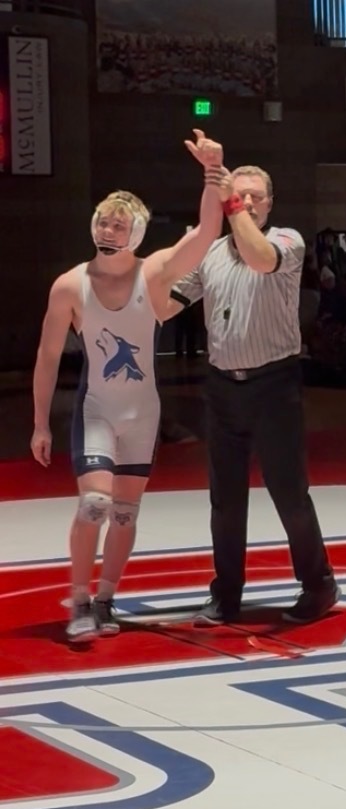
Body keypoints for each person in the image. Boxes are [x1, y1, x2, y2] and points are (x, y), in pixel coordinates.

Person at [31, 129, 226, 643]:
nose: (110, 230)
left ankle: (105, 599)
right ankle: (77, 600)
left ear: (136, 232)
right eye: (103, 221)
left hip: (143, 415)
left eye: (120, 224)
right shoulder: (70, 285)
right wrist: (38, 424)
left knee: (124, 513)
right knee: (94, 504)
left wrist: (211, 170)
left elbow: (207, 233)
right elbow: (48, 356)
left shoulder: (154, 272)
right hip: (97, 410)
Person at [167, 163, 340, 625]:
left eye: (254, 197)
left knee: (288, 491)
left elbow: (261, 259)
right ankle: (226, 592)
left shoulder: (286, 240)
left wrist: (228, 203)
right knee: (224, 498)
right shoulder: (212, 252)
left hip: (274, 384)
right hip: (224, 386)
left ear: (270, 202)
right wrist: (129, 282)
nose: (246, 203)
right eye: (238, 195)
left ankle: (319, 583)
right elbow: (167, 303)